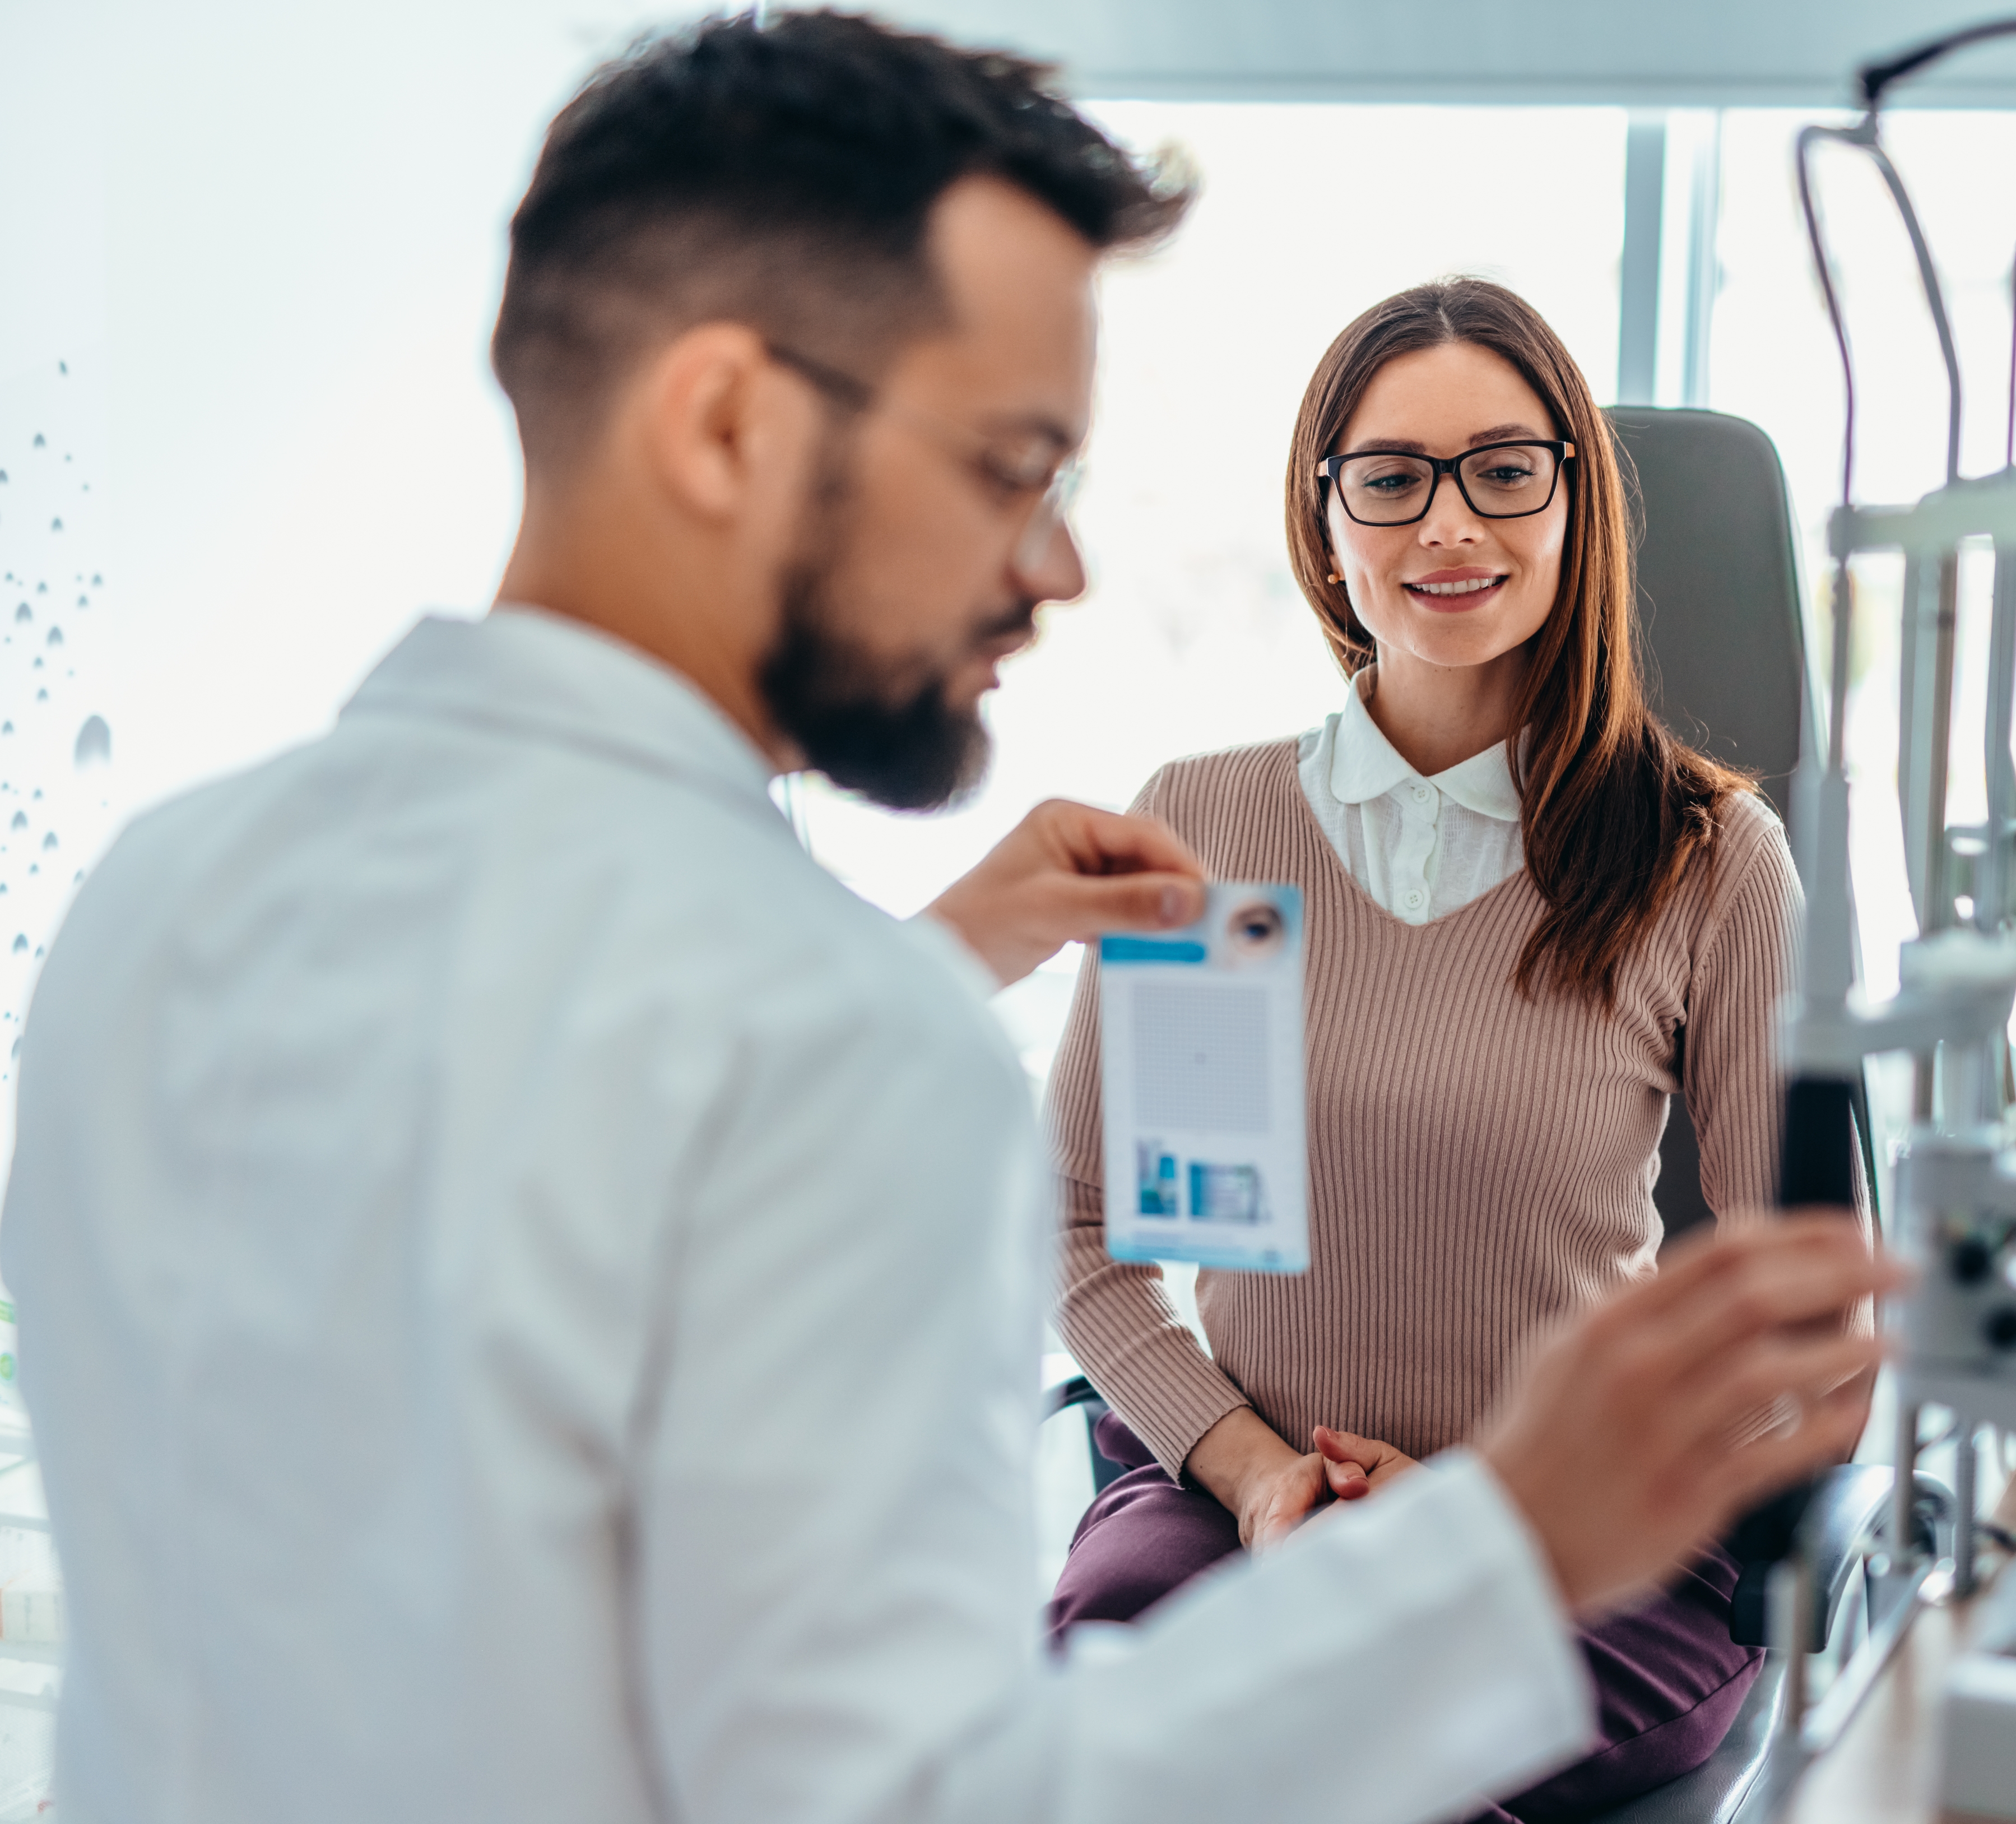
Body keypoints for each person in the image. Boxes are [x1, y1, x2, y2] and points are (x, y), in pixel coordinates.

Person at [0, 16, 1897, 1824]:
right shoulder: (843, 1039)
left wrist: (921, 960)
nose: (1057, 562)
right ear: (727, 421)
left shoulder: (158, 901)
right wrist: (1505, 1547)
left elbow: (494, 1286)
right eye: (1010, 467)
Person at [1046, 279, 1870, 1821]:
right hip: (1248, 1500)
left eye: (1503, 470)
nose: (1446, 527)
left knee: (1373, 1744)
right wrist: (1254, 1473)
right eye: (1392, 477)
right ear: (1327, 515)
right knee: (1106, 1720)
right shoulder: (1205, 826)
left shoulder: (1710, 857)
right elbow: (1082, 1233)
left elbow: (1802, 1334)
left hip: (1581, 1539)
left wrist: (1489, 1522)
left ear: (1576, 502)